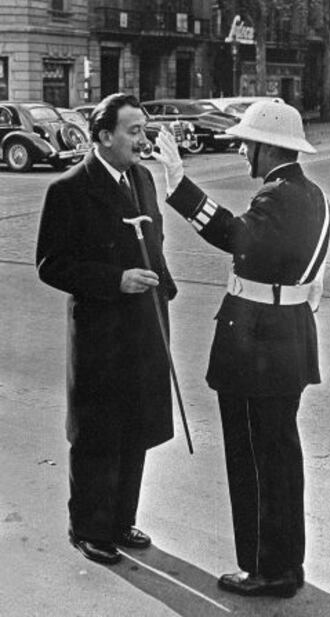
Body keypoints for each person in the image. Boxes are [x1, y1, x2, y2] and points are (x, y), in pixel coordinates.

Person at [154, 100, 330, 598]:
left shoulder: (278, 196)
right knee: (278, 455)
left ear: (268, 147)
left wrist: (179, 187)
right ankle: (284, 564)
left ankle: (265, 569)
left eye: (245, 143)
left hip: (259, 349)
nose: (239, 150)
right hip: (286, 340)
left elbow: (237, 237)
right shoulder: (310, 193)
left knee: (255, 459)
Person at [36, 93, 177, 565]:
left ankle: (120, 520)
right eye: (133, 131)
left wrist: (165, 290)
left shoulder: (143, 179)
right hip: (100, 332)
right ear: (103, 137)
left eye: (143, 129)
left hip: (144, 327)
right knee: (98, 432)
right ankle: (89, 528)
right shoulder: (69, 189)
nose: (143, 139)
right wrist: (115, 280)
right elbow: (52, 265)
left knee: (135, 426)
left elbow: (153, 242)